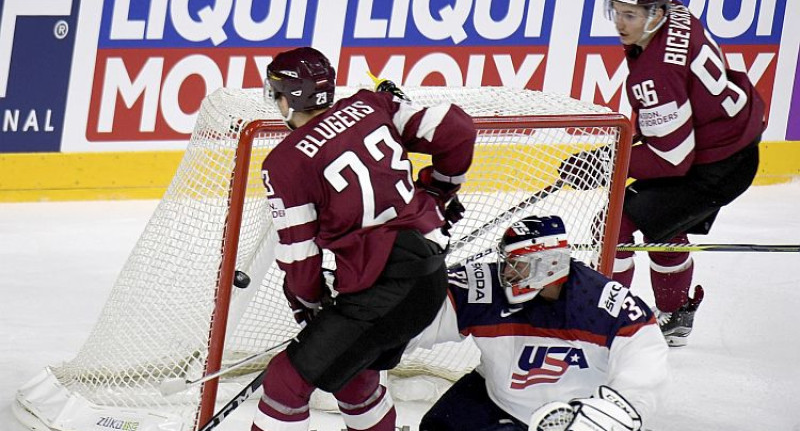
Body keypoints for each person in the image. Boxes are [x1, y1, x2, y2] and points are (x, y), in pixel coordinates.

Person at [250, 47, 476, 431]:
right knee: (354, 375)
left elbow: (299, 256)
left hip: (384, 288)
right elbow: (458, 129)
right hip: (427, 278)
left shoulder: (285, 163)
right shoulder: (372, 104)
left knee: (286, 381)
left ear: (288, 98)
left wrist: (308, 305)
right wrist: (440, 190)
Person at [560, 0, 765, 347]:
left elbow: (672, 159)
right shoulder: (678, 12)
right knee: (661, 218)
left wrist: (605, 163)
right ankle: (675, 312)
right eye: (616, 12)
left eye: (630, 15)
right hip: (728, 140)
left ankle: (604, 321)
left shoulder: (654, 74)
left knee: (613, 225)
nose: (620, 24)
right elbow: (678, 99)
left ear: (655, 13)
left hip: (714, 166)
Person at [413, 215, 669, 431]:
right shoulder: (485, 289)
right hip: (493, 398)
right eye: (507, 263)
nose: (506, 274)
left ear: (550, 265)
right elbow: (423, 317)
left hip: (571, 419)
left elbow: (646, 360)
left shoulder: (603, 303)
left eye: (517, 266)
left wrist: (614, 411)